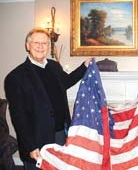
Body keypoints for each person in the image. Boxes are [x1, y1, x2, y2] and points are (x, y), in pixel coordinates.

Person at [4, 27, 92, 170]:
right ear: (28, 46)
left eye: (44, 43)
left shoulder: (54, 66)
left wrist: (84, 66)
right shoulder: (15, 77)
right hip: (37, 140)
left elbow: (66, 82)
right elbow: (18, 118)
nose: (40, 47)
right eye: (36, 43)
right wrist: (30, 146)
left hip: (61, 133)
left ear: (49, 46)